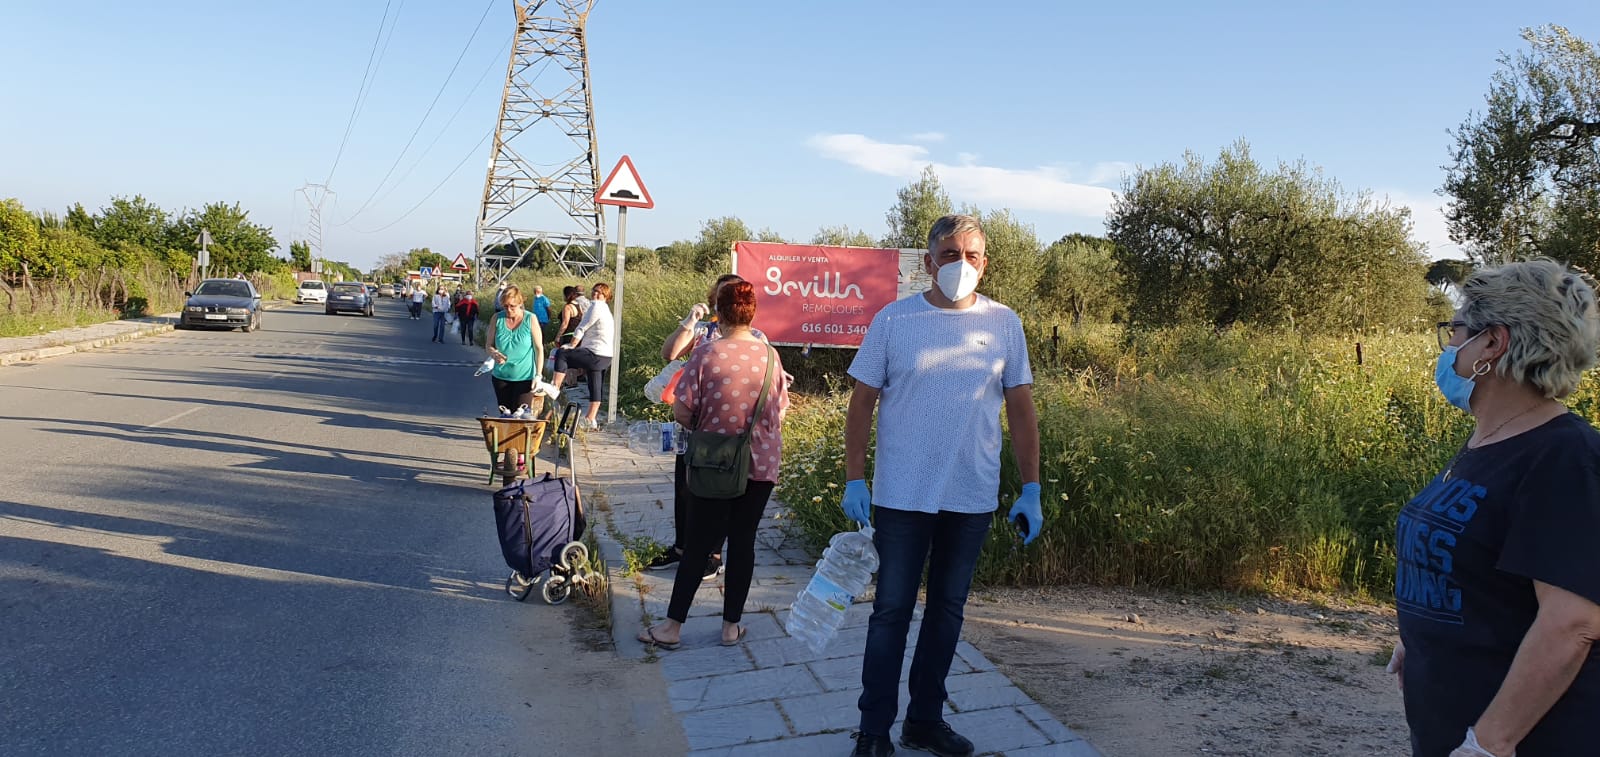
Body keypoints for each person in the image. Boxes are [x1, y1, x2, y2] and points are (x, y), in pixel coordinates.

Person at [842, 214, 1041, 757]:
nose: (962, 265)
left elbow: (1021, 407)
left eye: (972, 255)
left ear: (986, 262)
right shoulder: (894, 320)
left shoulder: (1005, 323)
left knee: (947, 611)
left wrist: (1032, 488)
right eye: (950, 254)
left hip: (970, 493)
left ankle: (924, 721)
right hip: (902, 495)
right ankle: (874, 730)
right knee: (891, 612)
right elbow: (862, 402)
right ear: (928, 262)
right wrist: (854, 477)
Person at [1387, 259, 1600, 757]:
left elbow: (1574, 621)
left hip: (1529, 741)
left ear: (1492, 344)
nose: (1447, 347)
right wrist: (1424, 636)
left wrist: (1489, 744)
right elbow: (1479, 565)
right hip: (1449, 723)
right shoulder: (1490, 441)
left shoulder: (1566, 456)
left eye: (1455, 330)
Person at [637, 281, 789, 650]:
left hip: (713, 463)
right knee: (743, 542)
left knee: (699, 543)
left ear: (719, 313)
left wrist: (710, 427)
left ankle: (672, 628)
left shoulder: (705, 354)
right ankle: (730, 627)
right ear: (752, 313)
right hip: (759, 463)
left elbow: (682, 409)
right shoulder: (770, 356)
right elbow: (780, 411)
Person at [647, 273, 768, 578]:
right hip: (689, 422)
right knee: (684, 485)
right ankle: (681, 548)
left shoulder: (755, 338)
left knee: (718, 489)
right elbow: (669, 353)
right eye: (723, 293)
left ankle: (713, 553)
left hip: (725, 429)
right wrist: (689, 321)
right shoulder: (703, 332)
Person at [485, 285, 542, 473]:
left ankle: (520, 455)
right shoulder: (497, 318)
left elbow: (539, 348)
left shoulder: (530, 319)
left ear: (520, 303)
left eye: (512, 306)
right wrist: (494, 353)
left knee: (521, 417)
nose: (509, 310)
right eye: (506, 306)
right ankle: (505, 451)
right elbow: (488, 345)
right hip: (501, 376)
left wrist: (538, 375)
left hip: (525, 377)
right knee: (505, 416)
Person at [553, 282, 613, 430]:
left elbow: (582, 326)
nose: (595, 294)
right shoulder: (606, 310)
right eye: (594, 291)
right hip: (605, 356)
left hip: (595, 352)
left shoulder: (596, 306)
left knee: (562, 354)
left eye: (600, 293)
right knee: (595, 385)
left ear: (606, 297)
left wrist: (572, 345)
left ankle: (555, 387)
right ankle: (590, 419)